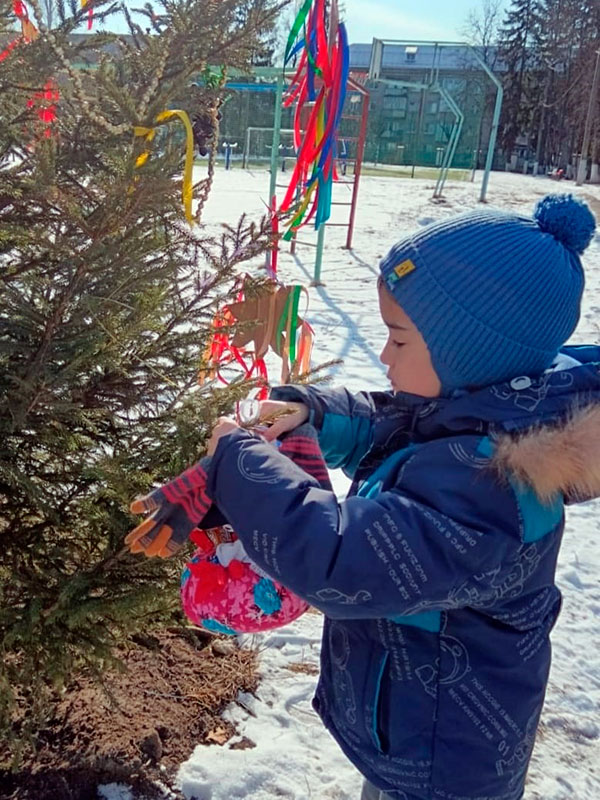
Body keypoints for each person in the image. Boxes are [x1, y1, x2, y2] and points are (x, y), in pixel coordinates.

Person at [133, 194, 600, 800]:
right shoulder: (473, 413)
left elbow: (341, 559)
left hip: (443, 765)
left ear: (468, 353)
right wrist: (312, 413)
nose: (383, 356)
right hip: (407, 727)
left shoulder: (495, 495)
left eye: (399, 341)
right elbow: (392, 425)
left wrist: (240, 464)